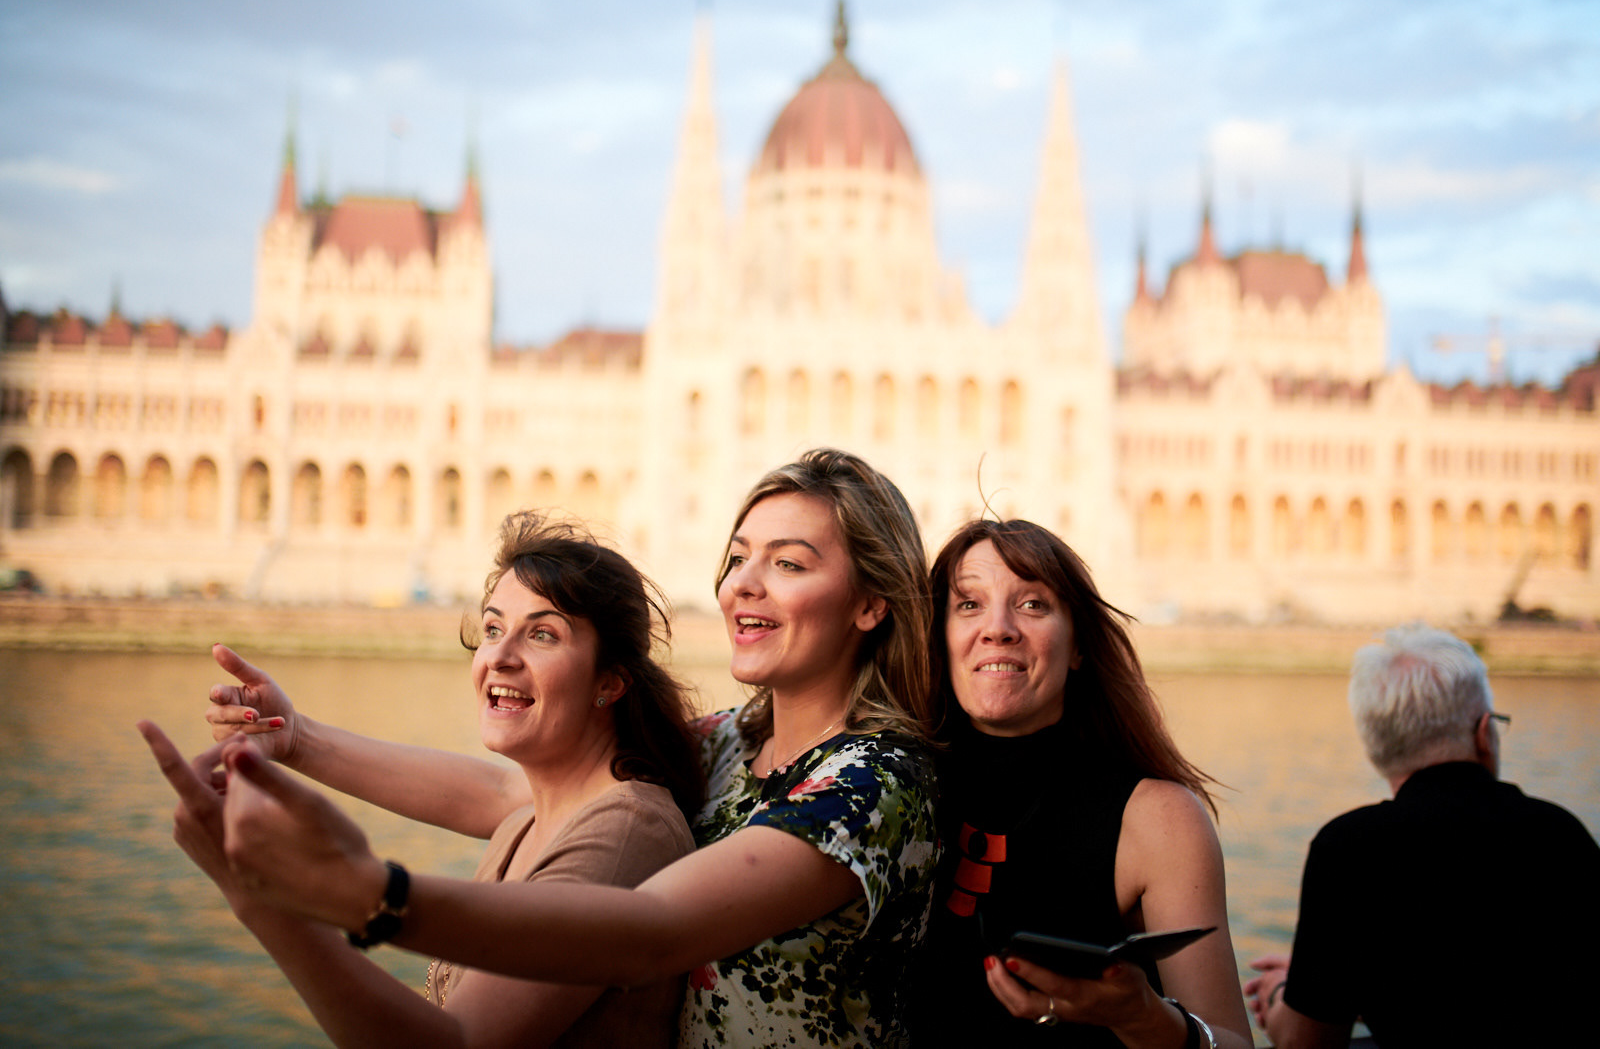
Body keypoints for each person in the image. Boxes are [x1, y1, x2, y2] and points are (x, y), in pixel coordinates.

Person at [182, 448, 940, 1048]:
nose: (744, 583)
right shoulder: (731, 746)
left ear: (873, 602)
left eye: (789, 563)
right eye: (739, 556)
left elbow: (650, 934)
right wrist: (300, 738)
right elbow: (519, 796)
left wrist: (364, 893)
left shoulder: (874, 785)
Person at [141, 512, 703, 1047]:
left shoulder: (624, 833)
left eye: (543, 635)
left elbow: (456, 1042)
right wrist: (294, 738)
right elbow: (482, 790)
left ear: (611, 681)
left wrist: (254, 893)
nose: (499, 657)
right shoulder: (535, 815)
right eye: (491, 628)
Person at [912, 518, 1253, 1048]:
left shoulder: (1158, 819)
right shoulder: (886, 785)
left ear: (1078, 647)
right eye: (969, 605)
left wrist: (1145, 1019)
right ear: (939, 637)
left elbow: (1231, 1039)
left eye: (1032, 605)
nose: (997, 628)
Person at [1242, 623, 1600, 1048]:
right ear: (1485, 732)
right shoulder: (1559, 833)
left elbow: (1307, 1042)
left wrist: (1284, 992)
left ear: (1376, 749)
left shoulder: (1349, 848)